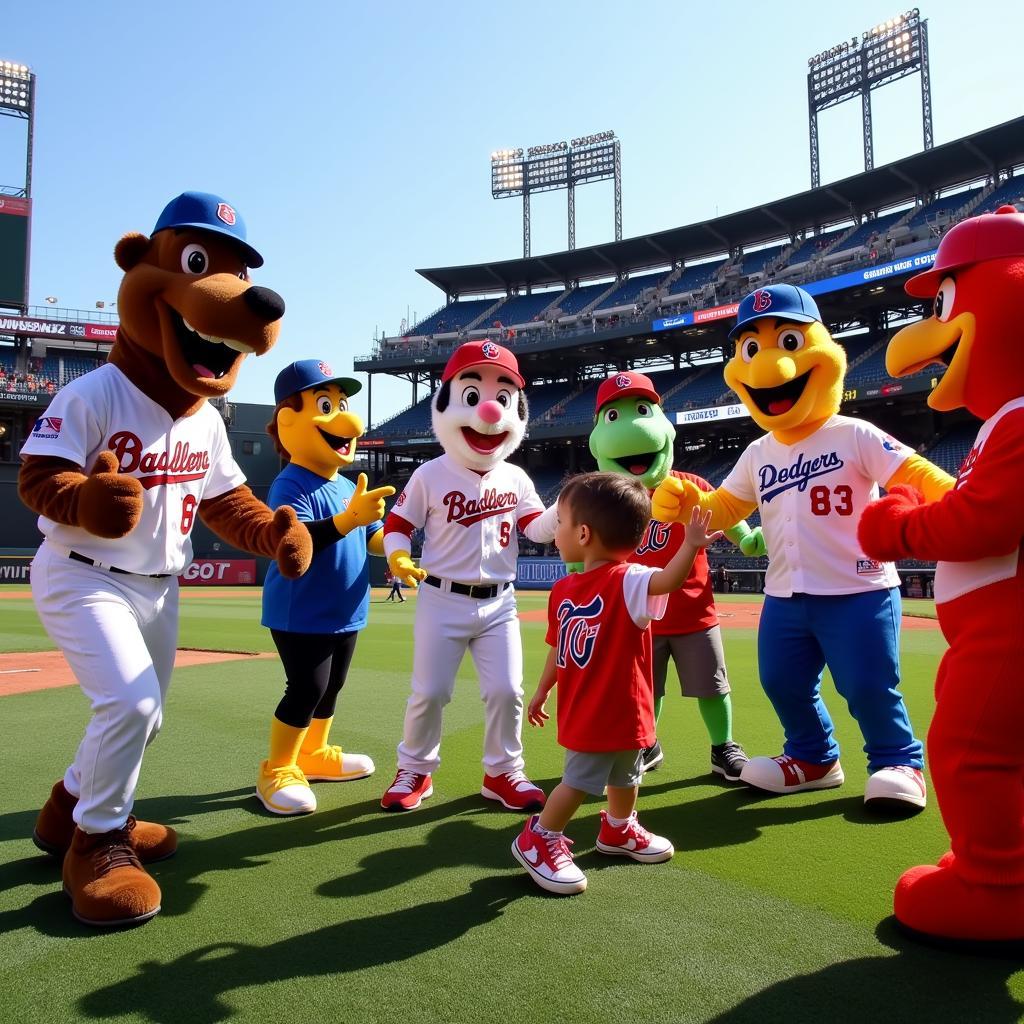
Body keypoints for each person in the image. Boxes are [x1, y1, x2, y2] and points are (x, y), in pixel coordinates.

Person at [511, 472, 720, 895]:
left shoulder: (629, 578)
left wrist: (690, 546)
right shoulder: (565, 587)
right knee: (579, 781)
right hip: (592, 708)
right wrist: (542, 688)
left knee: (628, 773)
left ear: (584, 533)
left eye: (562, 523)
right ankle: (539, 838)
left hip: (623, 706)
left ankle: (618, 829)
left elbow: (668, 581)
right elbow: (557, 645)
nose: (556, 534)